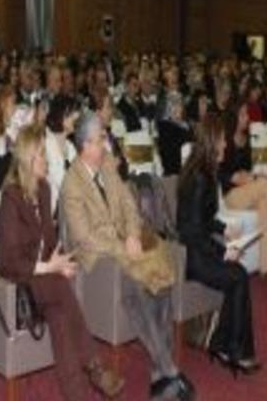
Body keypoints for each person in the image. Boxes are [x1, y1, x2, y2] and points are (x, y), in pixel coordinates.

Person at [62, 112, 195, 400]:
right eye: (100, 140)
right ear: (85, 145)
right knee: (135, 285)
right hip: (99, 263)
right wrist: (123, 247)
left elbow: (128, 204)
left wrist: (134, 234)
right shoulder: (71, 185)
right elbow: (85, 237)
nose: (106, 144)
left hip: (125, 246)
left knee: (163, 274)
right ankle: (169, 370)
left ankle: (160, 376)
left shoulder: (107, 164)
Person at [0, 125, 124, 400]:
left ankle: (77, 394)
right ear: (29, 159)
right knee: (59, 286)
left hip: (45, 283)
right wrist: (49, 268)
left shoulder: (43, 190)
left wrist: (61, 261)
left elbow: (50, 243)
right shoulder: (11, 197)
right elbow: (8, 260)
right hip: (16, 284)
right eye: (42, 155)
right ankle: (96, 367)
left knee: (60, 317)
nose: (47, 161)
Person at [177, 114, 261, 373]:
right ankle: (228, 347)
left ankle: (226, 345)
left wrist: (224, 229)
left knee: (238, 275)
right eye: (222, 140)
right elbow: (190, 231)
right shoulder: (200, 177)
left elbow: (204, 220)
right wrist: (224, 250)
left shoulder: (204, 172)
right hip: (191, 256)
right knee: (238, 276)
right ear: (212, 142)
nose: (225, 145)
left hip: (199, 248)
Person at [219, 101, 267, 273]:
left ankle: (266, 264)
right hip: (230, 195)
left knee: (265, 200)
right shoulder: (224, 141)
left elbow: (251, 169)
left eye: (247, 114)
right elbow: (215, 172)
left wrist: (252, 175)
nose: (247, 118)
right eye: (242, 114)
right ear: (233, 117)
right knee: (265, 186)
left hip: (248, 190)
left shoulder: (249, 139)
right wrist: (232, 177)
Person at [44, 95, 79, 213]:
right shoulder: (47, 144)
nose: (77, 116)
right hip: (53, 208)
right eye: (73, 113)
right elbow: (60, 181)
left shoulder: (70, 146)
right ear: (62, 116)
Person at [156, 92, 193, 176]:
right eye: (173, 105)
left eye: (179, 105)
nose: (176, 108)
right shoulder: (164, 127)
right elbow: (169, 156)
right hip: (173, 172)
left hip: (188, 169)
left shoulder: (186, 125)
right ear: (168, 108)